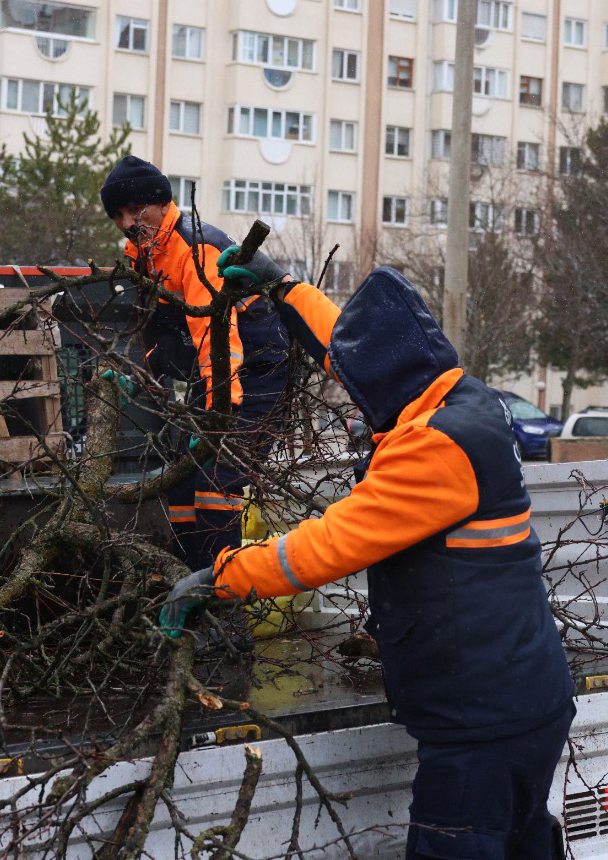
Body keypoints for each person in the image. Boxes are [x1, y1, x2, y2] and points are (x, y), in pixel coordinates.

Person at [160, 267, 575, 860]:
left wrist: (218, 578)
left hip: (480, 724)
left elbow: (323, 546)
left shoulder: (435, 447)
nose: (357, 409)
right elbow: (350, 353)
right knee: (524, 842)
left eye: (363, 395)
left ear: (390, 382)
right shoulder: (462, 398)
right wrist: (285, 288)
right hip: (519, 698)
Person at [99, 155, 292, 571]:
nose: (128, 223)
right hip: (215, 380)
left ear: (162, 203)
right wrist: (143, 378)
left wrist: (221, 413)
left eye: (136, 210)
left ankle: (220, 592)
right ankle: (187, 579)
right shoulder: (144, 255)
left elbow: (216, 336)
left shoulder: (195, 247)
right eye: (118, 215)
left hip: (257, 374)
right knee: (182, 485)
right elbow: (159, 331)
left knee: (217, 484)